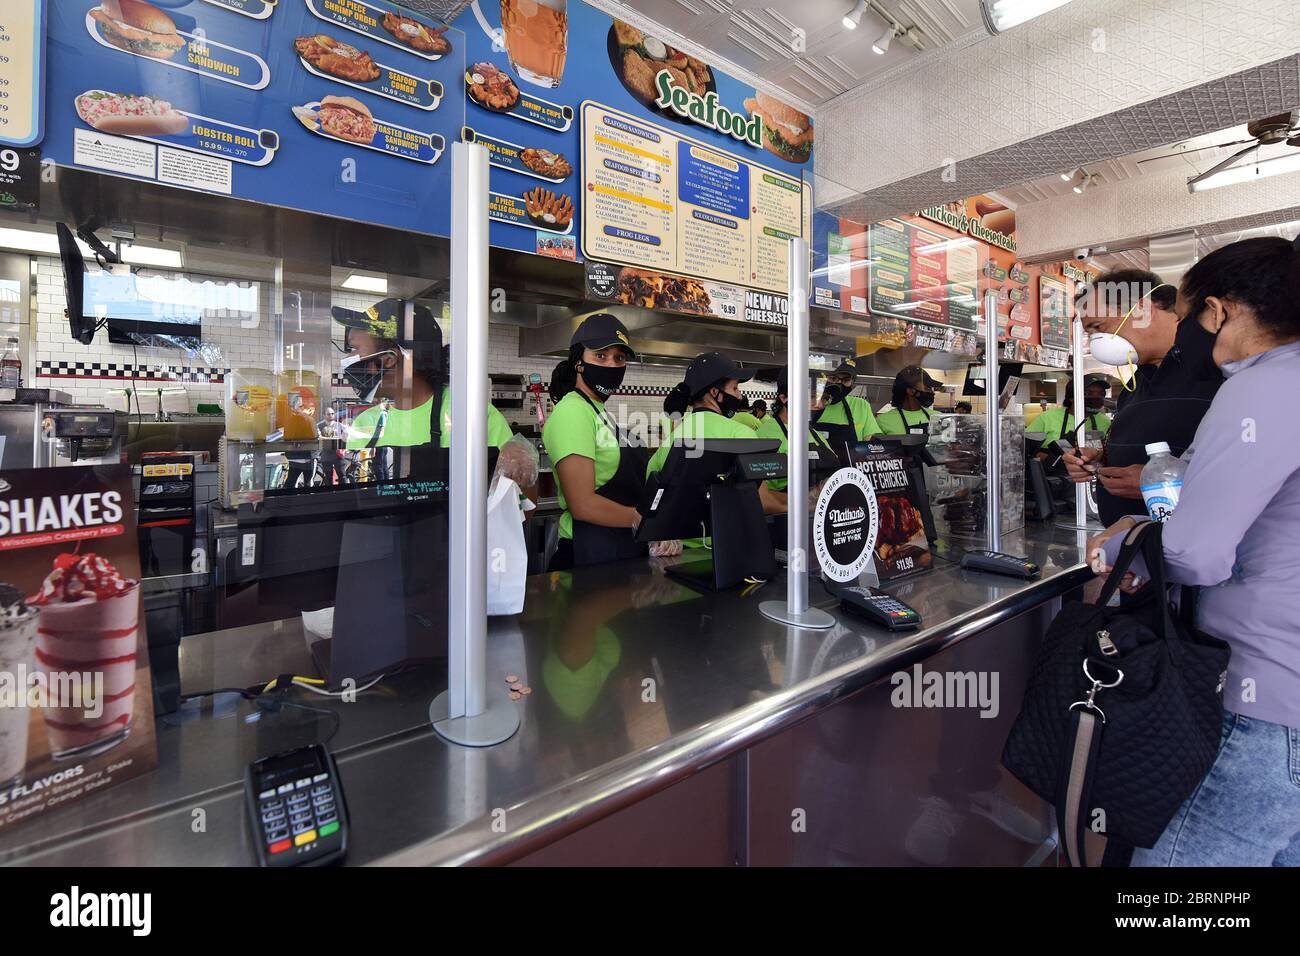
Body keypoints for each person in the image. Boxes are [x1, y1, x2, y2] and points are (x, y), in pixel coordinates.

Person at [1088, 236, 1300, 867]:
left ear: (1220, 310)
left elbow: (1198, 552)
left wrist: (1127, 543)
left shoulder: (1260, 389)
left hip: (1259, 695)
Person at [1062, 269, 1222, 524]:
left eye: (1098, 327)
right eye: (1089, 333)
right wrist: (1098, 460)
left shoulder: (1216, 373)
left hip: (1189, 548)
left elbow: (1248, 468)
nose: (1095, 341)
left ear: (1142, 309)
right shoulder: (1135, 385)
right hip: (1129, 547)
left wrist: (1158, 482)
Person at [543, 313, 647, 570]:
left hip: (617, 548)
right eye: (601, 355)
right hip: (586, 553)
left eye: (619, 358)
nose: (612, 365)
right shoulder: (573, 411)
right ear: (578, 361)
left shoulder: (598, 411)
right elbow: (583, 505)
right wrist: (646, 522)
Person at [754, 366, 835, 510]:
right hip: (787, 523)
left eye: (823, 398)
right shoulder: (765, 436)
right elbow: (760, 496)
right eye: (811, 397)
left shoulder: (814, 433)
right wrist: (811, 499)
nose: (820, 405)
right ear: (784, 398)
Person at [1032, 377, 1112, 455]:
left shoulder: (1104, 421)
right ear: (1071, 397)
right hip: (1053, 467)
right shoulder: (1048, 417)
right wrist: (1053, 460)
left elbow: (1105, 452)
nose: (1096, 397)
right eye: (1087, 393)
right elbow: (1028, 449)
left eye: (1101, 393)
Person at [813, 356, 881, 445]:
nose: (839, 384)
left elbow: (869, 444)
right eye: (833, 378)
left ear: (852, 382)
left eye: (846, 380)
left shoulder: (860, 405)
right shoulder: (807, 405)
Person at [875, 365, 943, 435]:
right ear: (910, 391)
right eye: (927, 388)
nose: (932, 393)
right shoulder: (882, 421)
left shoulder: (938, 417)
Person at [317, 405, 349, 485]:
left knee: (342, 476)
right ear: (324, 415)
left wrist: (344, 436)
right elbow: (318, 438)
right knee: (328, 477)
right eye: (328, 414)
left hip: (338, 455)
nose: (331, 415)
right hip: (326, 455)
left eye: (332, 413)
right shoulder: (320, 426)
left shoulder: (339, 425)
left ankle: (344, 493)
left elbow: (347, 435)